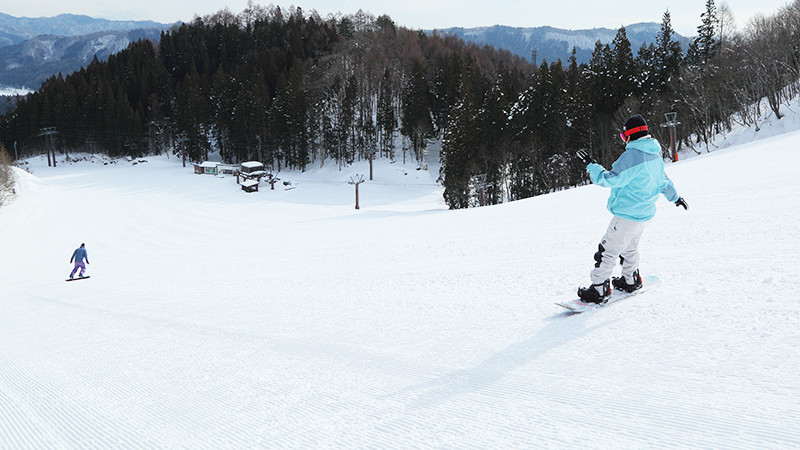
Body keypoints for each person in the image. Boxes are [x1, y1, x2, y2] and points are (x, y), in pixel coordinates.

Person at [575, 114, 688, 304]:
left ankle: (599, 289)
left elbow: (610, 179)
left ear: (629, 135)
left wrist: (591, 165)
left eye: (623, 136)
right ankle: (631, 280)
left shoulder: (632, 157)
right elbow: (662, 181)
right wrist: (675, 197)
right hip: (645, 215)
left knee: (607, 250)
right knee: (629, 247)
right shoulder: (654, 153)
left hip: (628, 214)